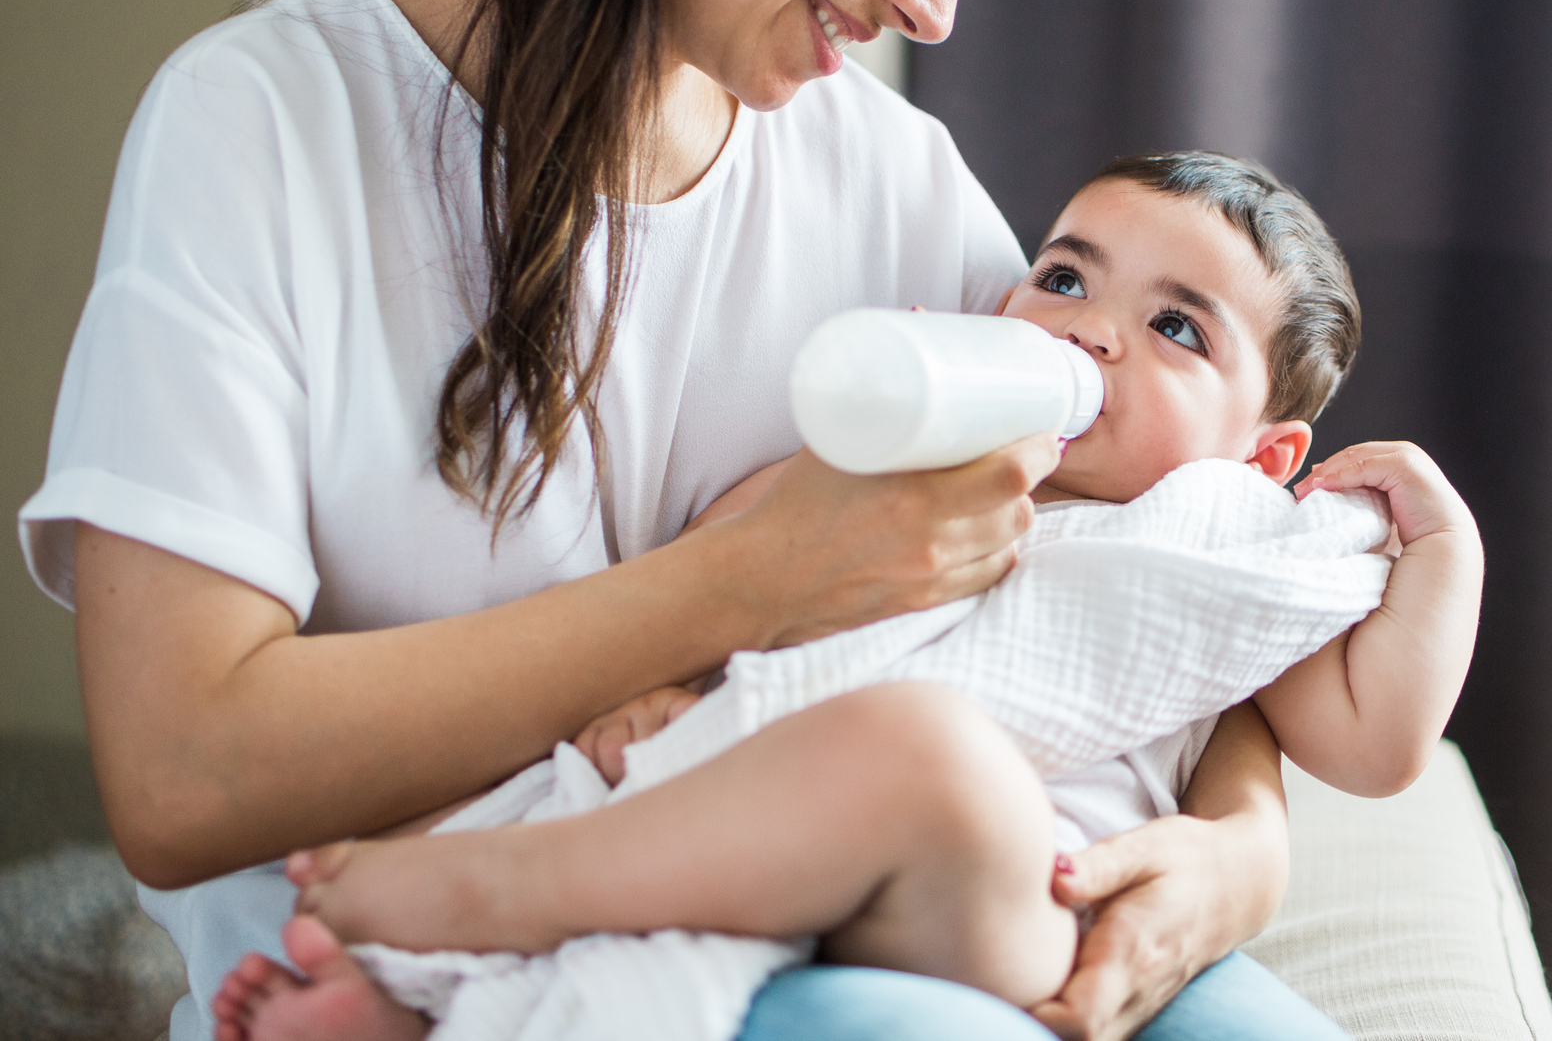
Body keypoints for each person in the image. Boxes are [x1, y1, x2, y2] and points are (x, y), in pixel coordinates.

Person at [206, 152, 1484, 1041]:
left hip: (1013, 903)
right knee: (655, 851)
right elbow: (729, 572)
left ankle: (493, 897)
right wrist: (665, 687)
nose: (1092, 333)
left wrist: (1445, 551)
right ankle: (421, 1004)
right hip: (781, 831)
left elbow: (1376, 747)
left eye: (1179, 330)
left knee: (925, 755)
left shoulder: (1228, 547)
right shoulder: (910, 464)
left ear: (1262, 454)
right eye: (1068, 277)